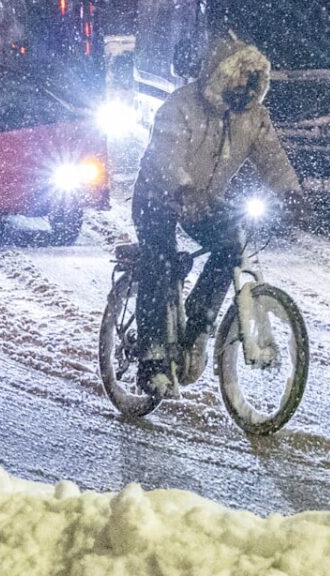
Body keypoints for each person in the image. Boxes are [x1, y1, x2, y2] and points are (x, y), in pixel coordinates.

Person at [131, 33, 303, 397]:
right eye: (239, 83)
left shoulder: (252, 117)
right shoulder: (181, 106)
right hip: (158, 196)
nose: (245, 93)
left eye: (253, 85)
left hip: (204, 200)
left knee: (230, 245)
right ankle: (151, 360)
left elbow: (272, 157)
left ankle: (199, 323)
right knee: (160, 261)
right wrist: (184, 189)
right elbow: (164, 156)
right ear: (220, 77)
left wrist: (291, 194)